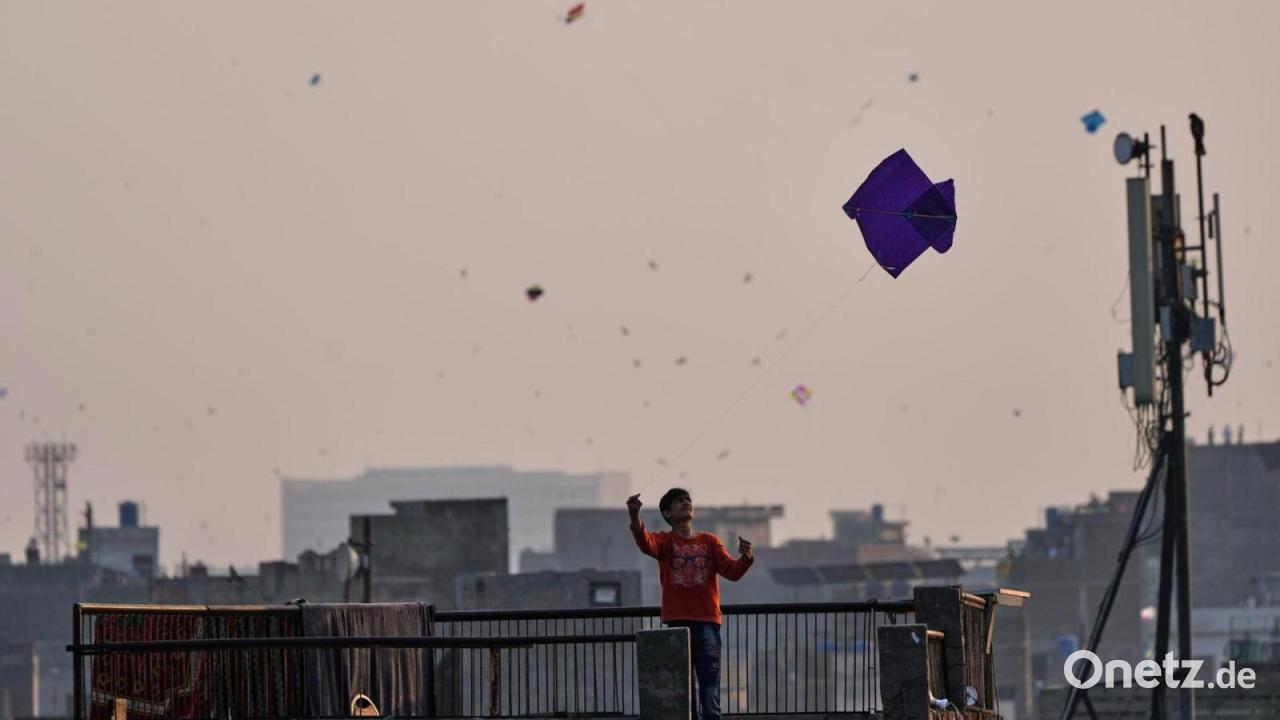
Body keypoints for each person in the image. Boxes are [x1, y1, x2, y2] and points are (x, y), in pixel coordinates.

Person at [628, 488, 753, 720]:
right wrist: (635, 516)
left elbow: (732, 571)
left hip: (707, 624)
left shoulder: (710, 541)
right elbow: (645, 542)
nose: (686, 503)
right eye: (679, 501)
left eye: (687, 500)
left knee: (709, 693)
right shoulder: (665, 541)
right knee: (684, 695)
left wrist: (746, 558)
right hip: (678, 625)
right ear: (668, 513)